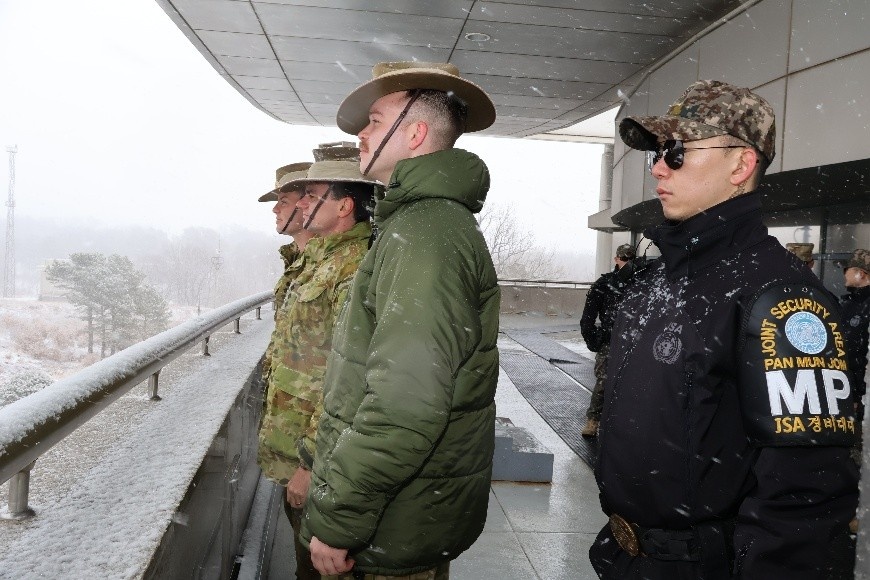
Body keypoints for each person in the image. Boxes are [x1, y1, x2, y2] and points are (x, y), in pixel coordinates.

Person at [590, 80, 859, 579]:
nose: (659, 168)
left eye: (677, 152)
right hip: (629, 560)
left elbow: (805, 492)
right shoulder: (657, 279)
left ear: (741, 166)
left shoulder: (780, 295)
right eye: (656, 153)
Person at [299, 62, 500, 579]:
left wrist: (341, 517)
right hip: (398, 517)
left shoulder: (426, 234)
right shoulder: (415, 223)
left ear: (414, 133)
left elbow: (406, 404)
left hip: (391, 528)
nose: (360, 136)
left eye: (374, 121)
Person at [257, 150, 378, 580]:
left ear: (344, 206)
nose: (300, 205)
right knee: (307, 563)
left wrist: (311, 464)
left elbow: (351, 378)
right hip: (300, 447)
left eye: (310, 195)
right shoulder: (322, 260)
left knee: (323, 568)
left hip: (321, 459)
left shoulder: (355, 267)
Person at [580, 243, 636, 437]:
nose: (627, 262)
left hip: (633, 341)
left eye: (630, 259)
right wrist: (594, 339)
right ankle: (593, 421)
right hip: (610, 340)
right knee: (603, 383)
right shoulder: (604, 284)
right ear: (616, 259)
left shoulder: (639, 283)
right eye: (624, 258)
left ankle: (623, 423)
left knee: (631, 383)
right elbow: (588, 317)